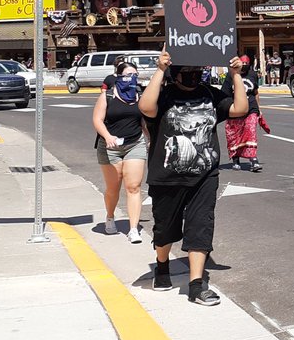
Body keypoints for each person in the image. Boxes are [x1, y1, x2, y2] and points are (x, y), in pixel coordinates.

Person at [140, 50, 247, 307]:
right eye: (187, 73)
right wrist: (159, 70)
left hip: (204, 175)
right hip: (167, 177)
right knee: (165, 229)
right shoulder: (163, 95)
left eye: (197, 73)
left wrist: (235, 76)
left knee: (201, 225)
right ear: (176, 74)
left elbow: (239, 108)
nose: (193, 77)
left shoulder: (210, 94)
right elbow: (145, 107)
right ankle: (162, 266)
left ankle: (196, 285)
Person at [92, 60, 148, 243]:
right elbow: (97, 120)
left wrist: (149, 137)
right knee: (113, 189)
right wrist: (108, 137)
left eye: (134, 75)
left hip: (135, 143)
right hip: (110, 147)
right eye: (127, 75)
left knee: (133, 187)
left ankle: (133, 229)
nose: (131, 79)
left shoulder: (139, 95)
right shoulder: (107, 95)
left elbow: (143, 121)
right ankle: (110, 217)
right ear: (118, 76)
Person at [222, 55, 264, 172]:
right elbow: (224, 94)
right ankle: (236, 159)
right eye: (242, 64)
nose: (244, 67)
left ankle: (253, 159)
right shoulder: (231, 75)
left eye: (246, 64)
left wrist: (258, 108)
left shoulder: (252, 75)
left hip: (251, 107)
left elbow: (255, 92)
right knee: (235, 134)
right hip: (236, 109)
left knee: (251, 131)